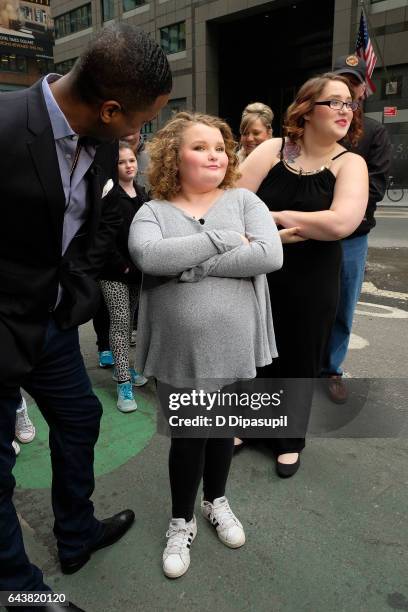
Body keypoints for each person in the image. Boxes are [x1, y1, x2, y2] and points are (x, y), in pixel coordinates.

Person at [0, 22, 171, 608]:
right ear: (110, 108)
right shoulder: (4, 124)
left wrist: (78, 296)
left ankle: (76, 536)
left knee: (80, 421)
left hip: (49, 328)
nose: (139, 134)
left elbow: (79, 230)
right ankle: (24, 596)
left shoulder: (98, 143)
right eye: (140, 121)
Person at [129, 111, 283, 578]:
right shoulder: (152, 209)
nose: (215, 154)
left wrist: (192, 265)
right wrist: (220, 240)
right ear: (174, 155)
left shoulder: (242, 199)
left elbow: (269, 253)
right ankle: (182, 520)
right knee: (189, 436)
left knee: (221, 430)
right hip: (180, 349)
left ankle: (217, 500)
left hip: (236, 341)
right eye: (201, 147)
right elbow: (150, 256)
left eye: (220, 147)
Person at [237, 73, 368, 477]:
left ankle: (289, 439)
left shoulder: (351, 163)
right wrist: (274, 232)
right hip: (258, 272)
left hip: (313, 279)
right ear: (308, 109)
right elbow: (234, 202)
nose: (346, 110)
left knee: (300, 356)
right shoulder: (274, 149)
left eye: (350, 103)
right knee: (254, 352)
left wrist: (273, 216)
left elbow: (340, 223)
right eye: (335, 102)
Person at [321, 55, 392, 403]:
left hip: (351, 237)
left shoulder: (375, 133)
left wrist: (338, 210)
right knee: (308, 302)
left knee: (343, 305)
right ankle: (302, 365)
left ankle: (331, 368)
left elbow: (374, 189)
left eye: (354, 84)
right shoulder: (316, 129)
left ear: (363, 90)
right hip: (312, 235)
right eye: (340, 84)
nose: (348, 91)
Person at [99, 142, 148, 413]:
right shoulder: (108, 195)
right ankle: (123, 382)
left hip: (138, 270)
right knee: (119, 323)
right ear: (113, 166)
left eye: (131, 160)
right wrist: (124, 267)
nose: (129, 165)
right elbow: (103, 239)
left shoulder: (142, 194)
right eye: (122, 162)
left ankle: (126, 366)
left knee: (129, 323)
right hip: (113, 272)